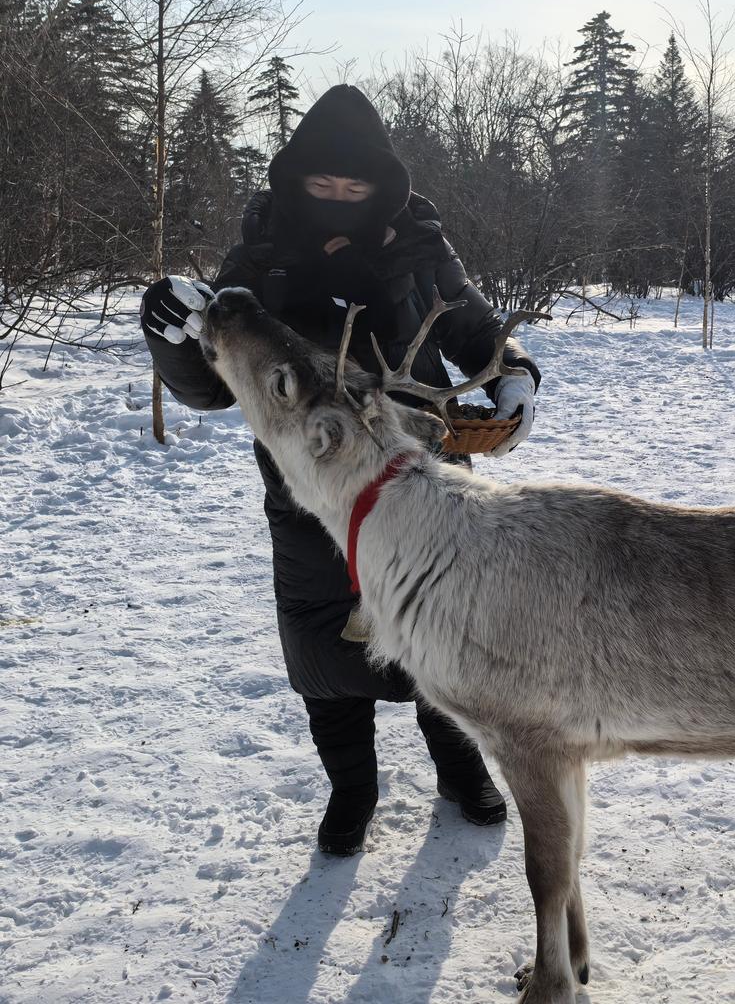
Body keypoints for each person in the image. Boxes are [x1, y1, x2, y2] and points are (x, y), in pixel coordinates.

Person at [140, 85, 541, 856]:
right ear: (294, 181)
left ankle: (460, 771)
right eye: (321, 184)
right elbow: (209, 382)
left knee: (442, 633)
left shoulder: (420, 243)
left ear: (381, 186)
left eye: (353, 186)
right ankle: (353, 789)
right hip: (310, 492)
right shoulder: (259, 255)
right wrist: (173, 340)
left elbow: (475, 327)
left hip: (423, 483)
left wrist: (514, 374)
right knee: (326, 652)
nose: (336, 197)